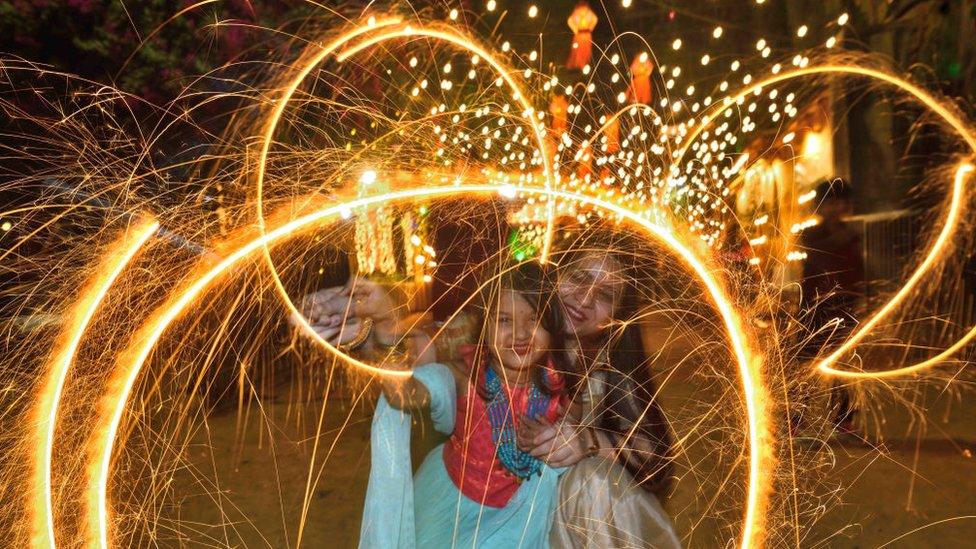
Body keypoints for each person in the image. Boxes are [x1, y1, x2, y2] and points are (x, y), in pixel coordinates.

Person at [309, 261, 575, 548]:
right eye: (504, 320)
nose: (521, 334)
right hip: (454, 509)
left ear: (553, 324)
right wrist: (388, 324)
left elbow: (576, 439)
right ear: (484, 327)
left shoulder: (564, 383)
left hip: (524, 517)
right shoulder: (464, 376)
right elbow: (404, 394)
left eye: (534, 319)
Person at [798, 178, 864, 437]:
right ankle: (796, 419)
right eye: (829, 203)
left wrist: (861, 301)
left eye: (840, 202)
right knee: (804, 367)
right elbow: (816, 264)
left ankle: (843, 420)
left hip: (844, 309)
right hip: (814, 309)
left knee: (843, 369)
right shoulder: (810, 236)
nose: (835, 208)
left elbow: (857, 273)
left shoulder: (852, 237)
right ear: (820, 206)